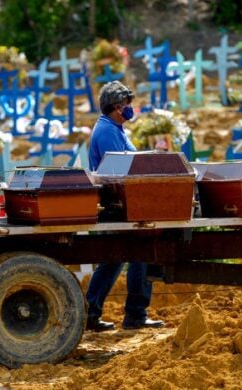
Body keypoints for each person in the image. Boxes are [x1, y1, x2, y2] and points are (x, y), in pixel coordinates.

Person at [86, 81, 164, 331]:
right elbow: (122, 168)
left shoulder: (115, 128)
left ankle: (90, 313)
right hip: (119, 204)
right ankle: (136, 314)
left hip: (121, 202)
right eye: (127, 105)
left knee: (113, 260)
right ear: (116, 107)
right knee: (140, 253)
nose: (131, 109)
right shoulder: (108, 131)